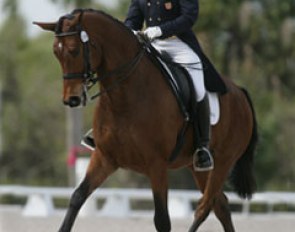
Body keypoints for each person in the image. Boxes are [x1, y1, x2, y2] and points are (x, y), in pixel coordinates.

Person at [82, 0, 227, 172]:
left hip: (179, 44)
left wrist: (161, 30)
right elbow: (133, 20)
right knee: (124, 76)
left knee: (197, 87)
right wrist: (131, 31)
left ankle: (202, 146)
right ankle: (102, 129)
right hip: (151, 44)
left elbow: (189, 17)